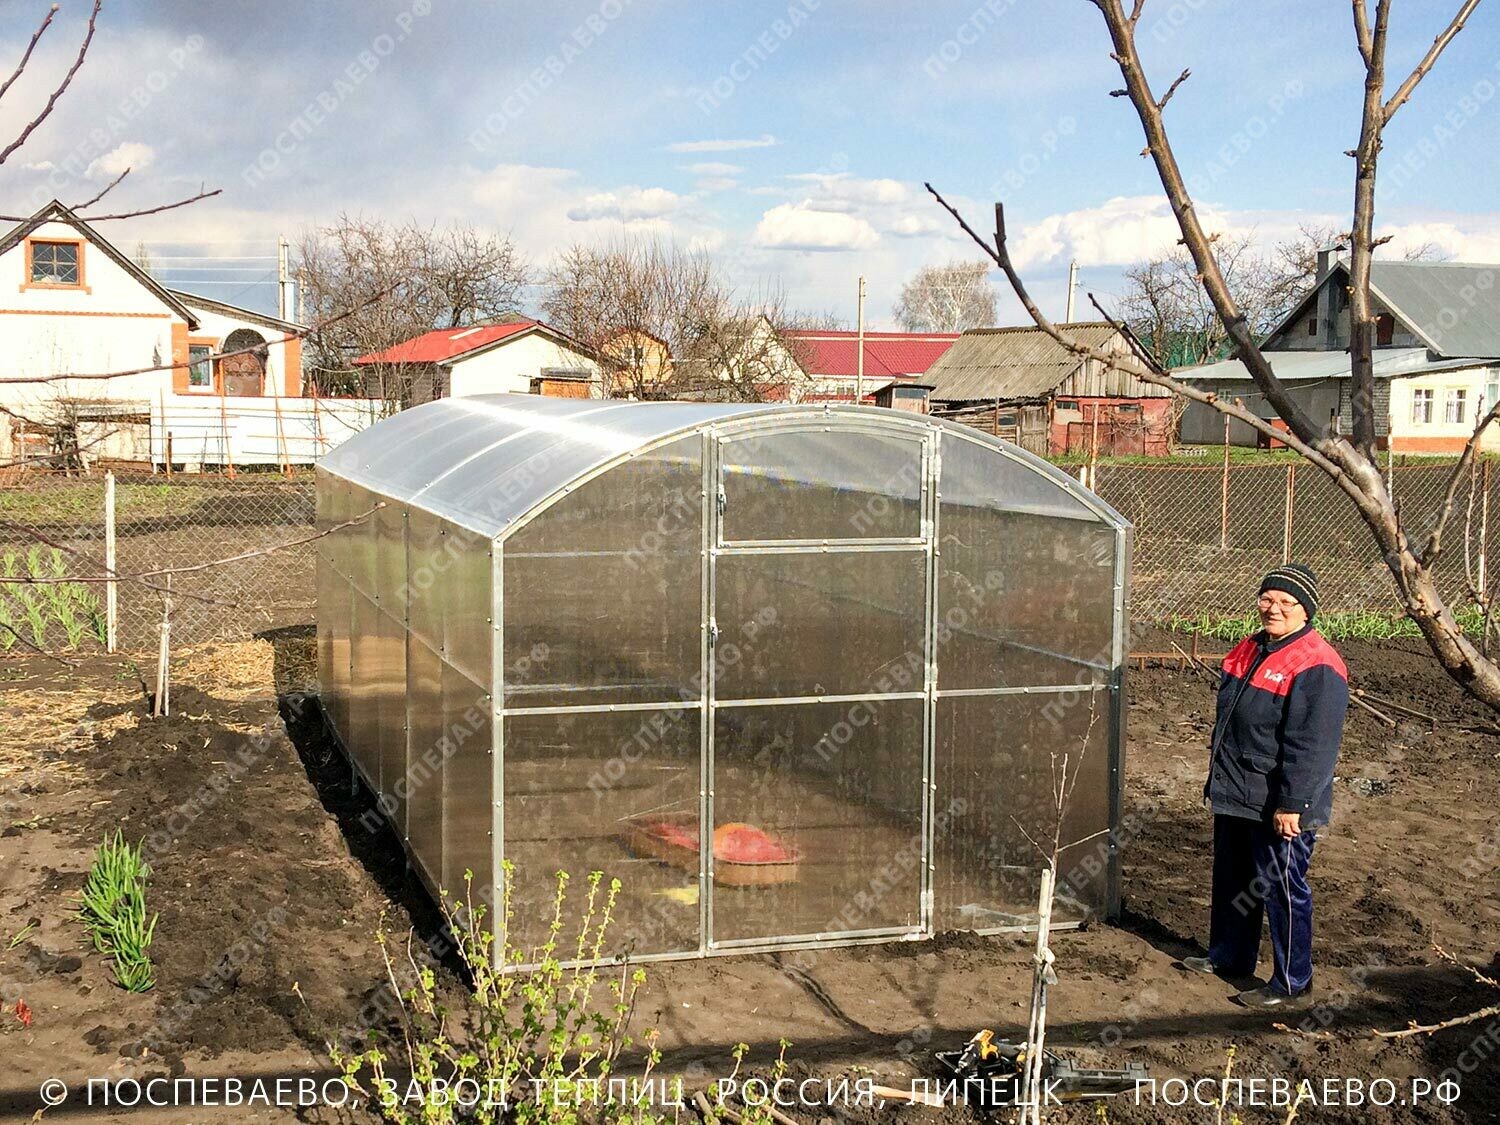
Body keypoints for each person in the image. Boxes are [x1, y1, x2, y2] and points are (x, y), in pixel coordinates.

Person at [1180, 563, 1349, 1009]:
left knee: (1282, 885)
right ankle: (1230, 956)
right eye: (1267, 598)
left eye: (1286, 602)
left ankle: (1293, 983)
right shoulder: (1249, 647)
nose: (1273, 609)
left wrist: (1293, 802)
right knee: (1234, 877)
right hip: (1237, 788)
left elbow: (1312, 744)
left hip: (1279, 801)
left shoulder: (1317, 664)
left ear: (1305, 610)